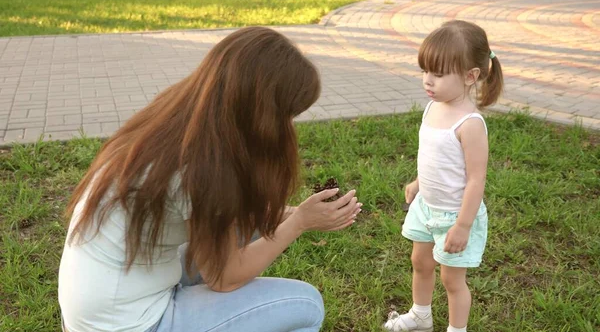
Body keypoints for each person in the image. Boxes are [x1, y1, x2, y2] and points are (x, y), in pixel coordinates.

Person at [58, 26, 362, 332]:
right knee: (306, 306)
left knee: (250, 233)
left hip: (103, 303)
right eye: (287, 115)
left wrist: (290, 214)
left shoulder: (178, 121)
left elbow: (224, 223)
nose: (289, 127)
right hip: (128, 323)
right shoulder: (199, 167)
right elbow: (225, 278)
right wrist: (300, 224)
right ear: (262, 112)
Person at [384, 20, 504, 332]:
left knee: (452, 279)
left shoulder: (470, 124)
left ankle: (456, 329)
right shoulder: (431, 108)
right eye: (425, 71)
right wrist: (419, 182)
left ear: (470, 76)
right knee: (420, 263)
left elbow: (476, 179)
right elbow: (437, 158)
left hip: (456, 215)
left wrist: (463, 226)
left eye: (438, 74)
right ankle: (421, 315)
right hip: (426, 208)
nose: (428, 80)